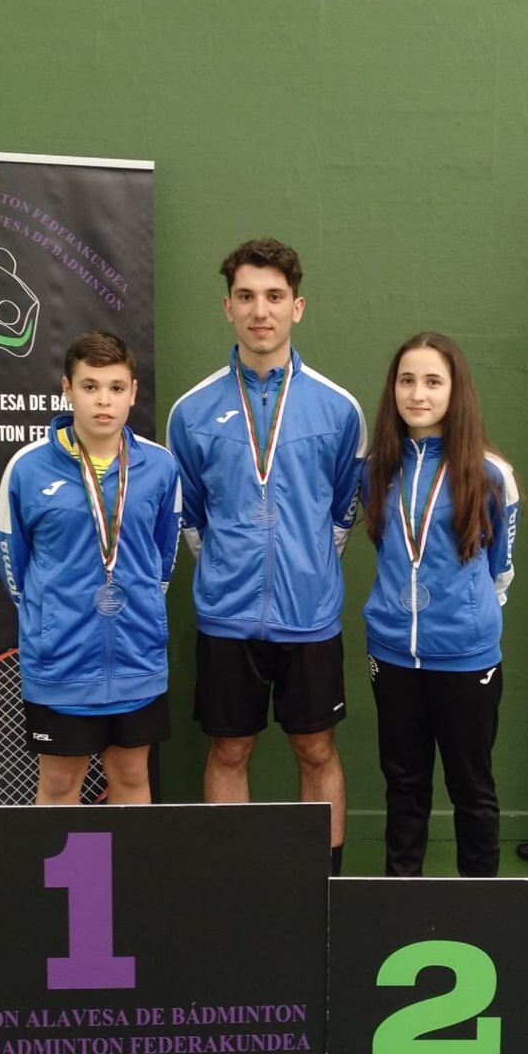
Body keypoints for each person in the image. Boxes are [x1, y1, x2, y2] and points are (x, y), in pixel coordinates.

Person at [167, 237, 365, 873]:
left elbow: (342, 511)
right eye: (247, 296)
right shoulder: (190, 412)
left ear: (297, 307)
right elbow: (190, 516)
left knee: (316, 749)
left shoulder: (339, 410)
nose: (262, 310)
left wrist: (304, 571)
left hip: (310, 617)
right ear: (227, 307)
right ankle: (236, 883)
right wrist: (232, 572)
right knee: (229, 752)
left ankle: (325, 883)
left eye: (275, 297)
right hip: (227, 618)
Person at [0, 330, 181, 805]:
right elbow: (15, 569)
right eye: (90, 386)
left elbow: (163, 559)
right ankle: (78, 885)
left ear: (133, 392)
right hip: (61, 663)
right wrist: (53, 618)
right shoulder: (28, 468)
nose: (104, 400)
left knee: (133, 779)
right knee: (59, 786)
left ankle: (126, 883)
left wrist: (137, 611)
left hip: (137, 659)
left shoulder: (160, 467)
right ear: (67, 389)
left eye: (117, 388)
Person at [363, 331, 519, 877]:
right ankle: (400, 898)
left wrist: (463, 620)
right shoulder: (375, 468)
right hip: (393, 655)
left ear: (456, 391)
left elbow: (500, 567)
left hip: (465, 658)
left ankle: (478, 906)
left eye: (433, 381)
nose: (418, 394)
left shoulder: (490, 473)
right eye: (407, 380)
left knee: (472, 789)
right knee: (404, 787)